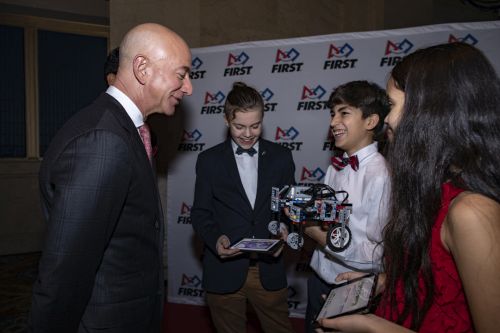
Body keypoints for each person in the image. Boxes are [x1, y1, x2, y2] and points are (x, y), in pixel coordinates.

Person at [317, 42, 500, 332]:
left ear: (431, 110)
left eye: (391, 106)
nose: (386, 119)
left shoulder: (472, 211)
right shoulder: (432, 190)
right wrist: (385, 283)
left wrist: (374, 328)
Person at [29, 23, 193, 333]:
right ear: (142, 68)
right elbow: (65, 271)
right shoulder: (103, 140)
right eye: (182, 74)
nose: (189, 88)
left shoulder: (123, 130)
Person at [191, 82, 296, 333]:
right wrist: (216, 240)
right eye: (240, 126)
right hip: (223, 271)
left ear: (263, 119)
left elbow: (289, 206)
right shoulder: (208, 161)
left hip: (268, 270)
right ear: (226, 120)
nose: (248, 133)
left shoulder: (282, 157)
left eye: (255, 125)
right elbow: (200, 213)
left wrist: (284, 227)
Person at [303, 80, 391, 332]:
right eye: (332, 114)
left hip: (354, 289)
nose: (332, 122)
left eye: (344, 113)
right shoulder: (335, 167)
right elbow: (327, 220)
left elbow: (377, 253)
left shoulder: (381, 175)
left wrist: (319, 236)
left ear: (370, 121)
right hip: (319, 278)